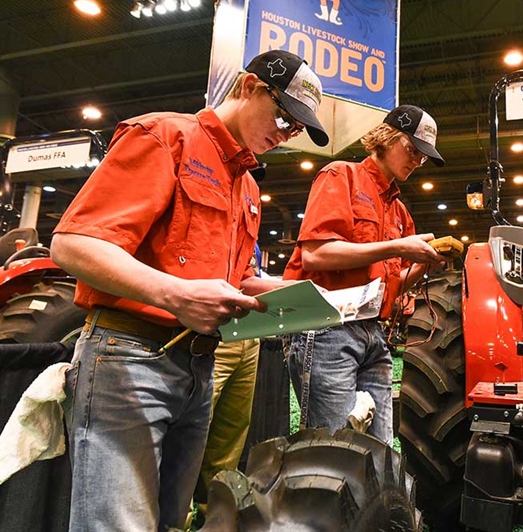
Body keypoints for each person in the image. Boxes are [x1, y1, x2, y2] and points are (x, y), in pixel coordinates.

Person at [50, 49, 328, 532]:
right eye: (284, 117)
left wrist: (292, 294)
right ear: (247, 86)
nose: (286, 135)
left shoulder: (244, 186)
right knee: (117, 523)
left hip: (198, 367)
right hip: (129, 359)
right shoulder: (164, 137)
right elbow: (72, 244)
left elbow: (231, 277)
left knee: (169, 520)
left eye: (296, 129)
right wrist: (175, 295)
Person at [283, 105, 446, 446]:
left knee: (381, 448)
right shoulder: (341, 175)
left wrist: (424, 264)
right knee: (333, 448)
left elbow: (392, 285)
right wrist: (396, 247)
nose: (417, 160)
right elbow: (316, 254)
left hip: (374, 332)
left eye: (424, 156)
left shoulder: (399, 211)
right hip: (327, 327)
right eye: (412, 149)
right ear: (387, 138)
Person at [193, 243, 263, 519]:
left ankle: (214, 512)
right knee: (193, 429)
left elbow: (247, 280)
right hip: (209, 332)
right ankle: (177, 515)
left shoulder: (247, 226)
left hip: (247, 334)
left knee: (231, 429)